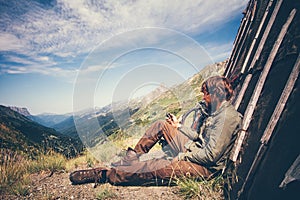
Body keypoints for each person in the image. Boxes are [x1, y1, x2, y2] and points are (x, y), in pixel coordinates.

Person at [70, 75, 242, 186]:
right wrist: (178, 127)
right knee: (161, 125)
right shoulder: (216, 112)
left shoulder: (227, 118)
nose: (204, 98)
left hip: (205, 168)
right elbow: (199, 137)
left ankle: (106, 174)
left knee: (157, 166)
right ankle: (130, 158)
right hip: (195, 150)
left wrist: (183, 156)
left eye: (206, 94)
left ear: (216, 93)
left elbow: (211, 156)